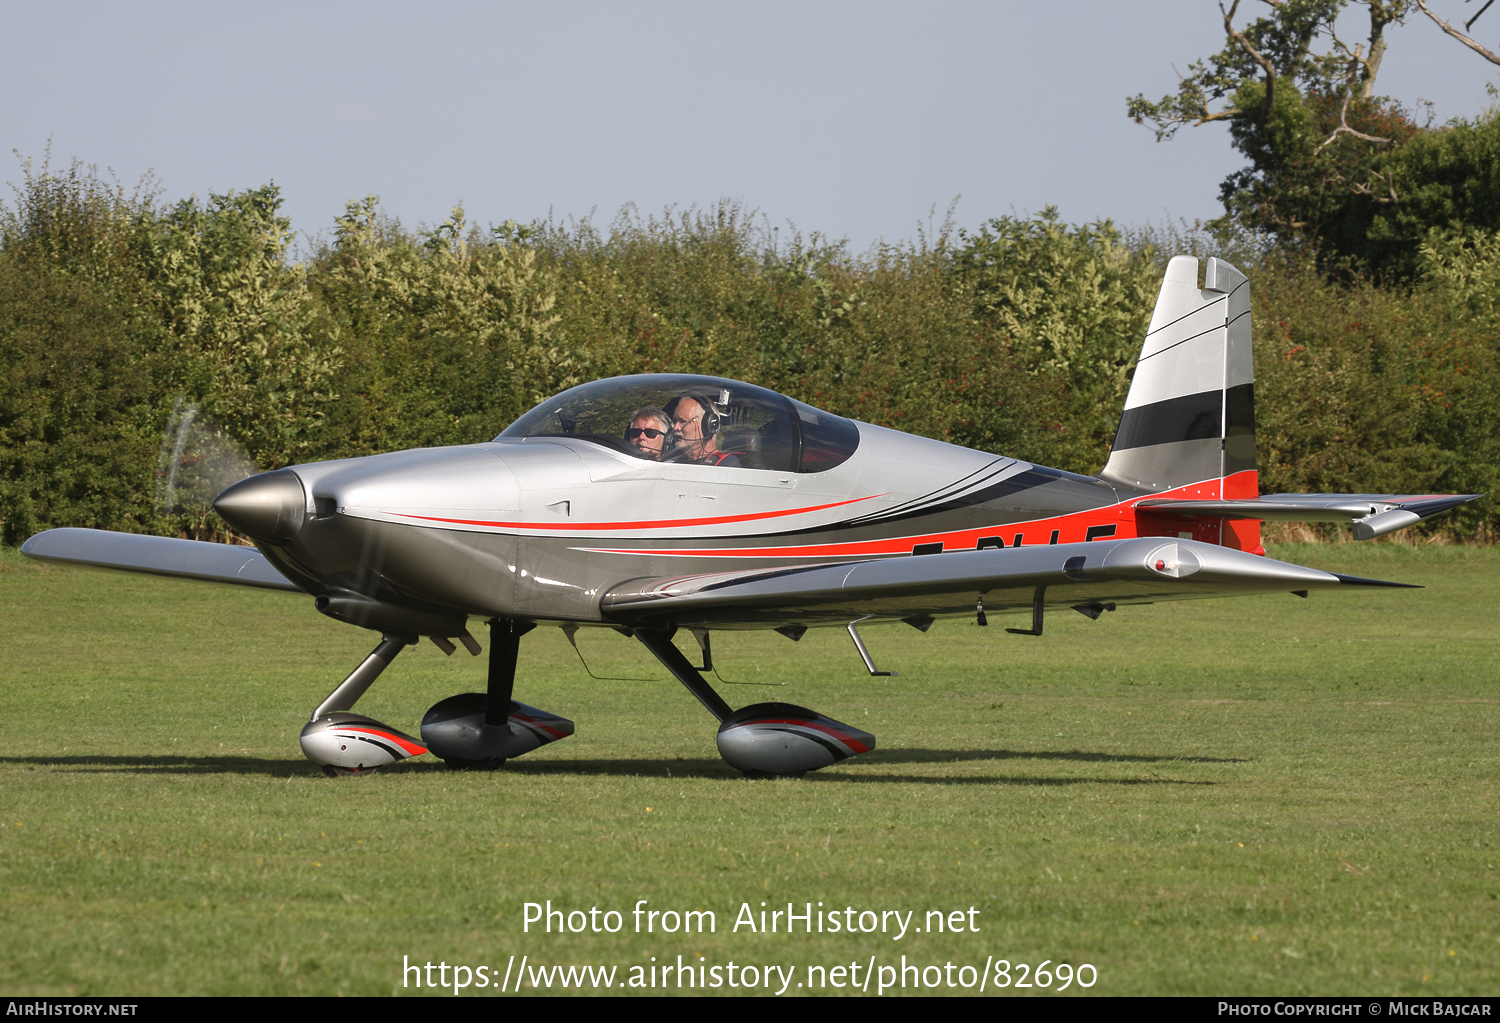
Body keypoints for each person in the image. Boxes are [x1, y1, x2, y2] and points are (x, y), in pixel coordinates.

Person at [665, 394, 740, 466]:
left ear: (708, 425)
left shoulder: (726, 463)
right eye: (674, 422)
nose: (675, 427)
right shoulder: (674, 462)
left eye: (683, 421)